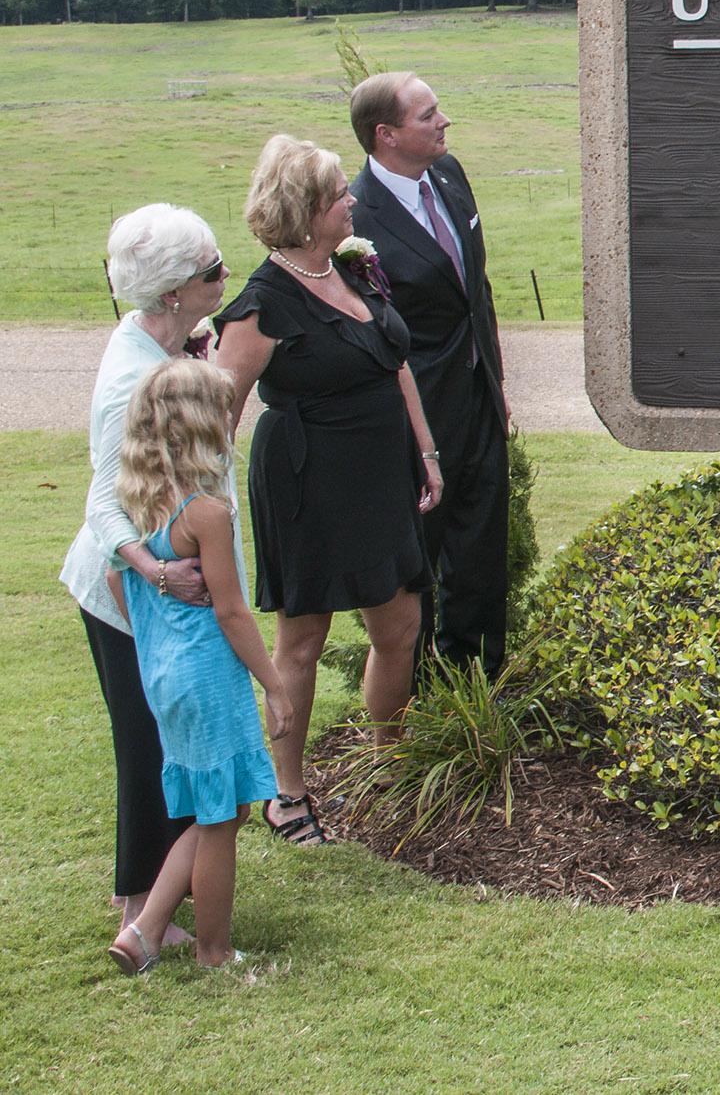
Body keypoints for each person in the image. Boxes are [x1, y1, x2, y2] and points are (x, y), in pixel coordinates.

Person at [213, 134, 443, 847]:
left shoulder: (355, 270)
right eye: (339, 193)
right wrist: (197, 512)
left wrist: (426, 451)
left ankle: (388, 760)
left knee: (398, 626)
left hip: (380, 475)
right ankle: (288, 793)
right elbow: (216, 414)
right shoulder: (259, 307)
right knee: (302, 639)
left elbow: (394, 362)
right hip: (307, 481)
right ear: (307, 212)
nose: (351, 200)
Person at [60, 204, 239, 952]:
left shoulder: (161, 343)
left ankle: (158, 899)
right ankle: (138, 906)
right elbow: (104, 504)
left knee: (165, 740)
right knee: (146, 746)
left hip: (160, 589)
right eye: (211, 272)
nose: (225, 277)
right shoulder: (127, 383)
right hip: (127, 596)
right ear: (172, 293)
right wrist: (158, 572)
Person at [105, 360, 291, 973]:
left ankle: (144, 929)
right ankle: (213, 950)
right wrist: (275, 685)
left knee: (224, 807)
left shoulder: (137, 499)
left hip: (164, 675)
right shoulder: (207, 512)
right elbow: (233, 613)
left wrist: (157, 640)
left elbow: (114, 576)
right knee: (219, 818)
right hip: (208, 676)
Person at [346, 72, 510, 673]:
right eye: (427, 115)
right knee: (419, 561)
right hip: (415, 417)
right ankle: (412, 703)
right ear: (385, 135)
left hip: (479, 400)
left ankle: (479, 687)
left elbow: (478, 291)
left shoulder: (450, 175)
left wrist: (499, 383)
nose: (444, 122)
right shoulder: (356, 216)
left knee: (481, 552)